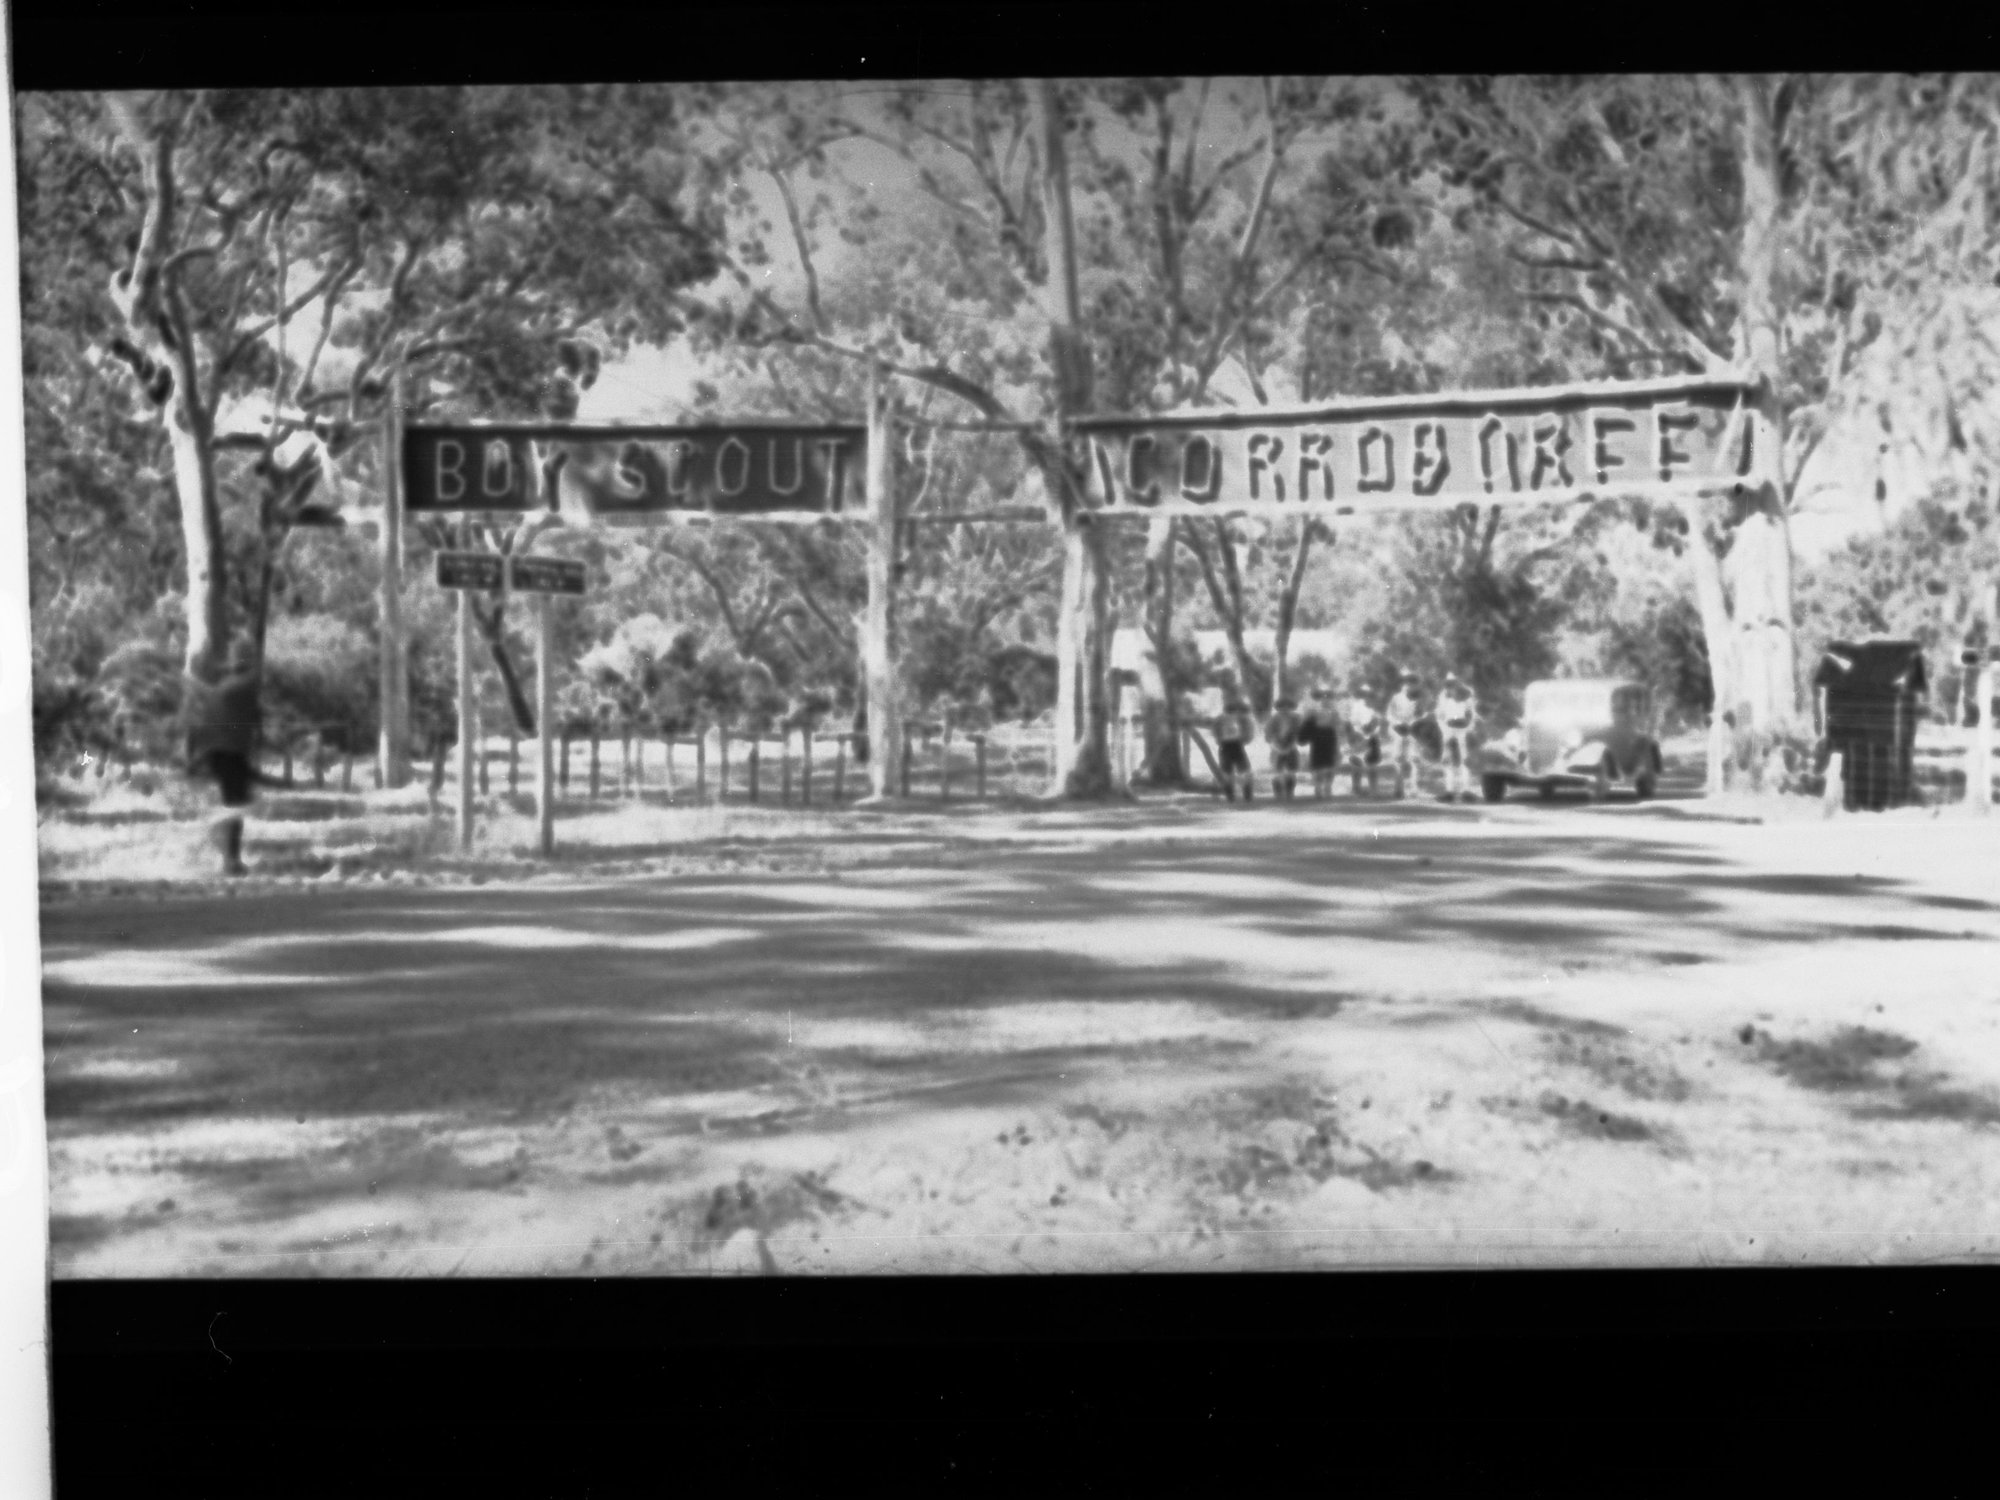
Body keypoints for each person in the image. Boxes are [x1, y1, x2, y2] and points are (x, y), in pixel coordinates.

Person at [184, 638, 262, 877]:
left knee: (238, 805)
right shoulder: (238, 685)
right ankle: (229, 859)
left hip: (230, 752)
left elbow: (218, 697)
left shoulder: (237, 685)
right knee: (237, 806)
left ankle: (230, 857)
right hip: (228, 753)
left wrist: (193, 679)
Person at [1435, 671, 1480, 802]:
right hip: (1448, 728)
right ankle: (1449, 791)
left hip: (1462, 729)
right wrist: (1445, 731)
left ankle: (1466, 790)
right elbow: (1440, 715)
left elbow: (1471, 714)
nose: (1452, 686)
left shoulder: (1467, 695)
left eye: (1454, 682)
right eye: (1449, 683)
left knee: (1465, 760)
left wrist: (1468, 728)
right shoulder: (1443, 696)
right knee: (1448, 761)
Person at [1385, 670, 1425, 798]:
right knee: (1398, 759)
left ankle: (1413, 788)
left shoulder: (1417, 699)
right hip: (1399, 730)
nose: (1408, 684)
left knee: (1414, 759)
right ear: (1402, 683)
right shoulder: (1396, 698)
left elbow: (1421, 715)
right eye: (1406, 681)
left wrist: (1414, 723)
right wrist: (1397, 723)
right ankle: (1398, 789)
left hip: (1412, 731)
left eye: (1411, 682)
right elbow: (1389, 714)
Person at [1301, 688, 1342, 800]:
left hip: (1330, 738)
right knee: (1317, 765)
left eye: (1328, 696)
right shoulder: (1312, 711)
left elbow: (1337, 728)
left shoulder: (1334, 712)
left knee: (1330, 765)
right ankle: (1318, 787)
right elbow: (1306, 727)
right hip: (1317, 739)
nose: (1325, 699)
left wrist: (1338, 743)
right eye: (1322, 696)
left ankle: (1328, 787)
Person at [1343, 685, 1383, 796]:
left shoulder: (1375, 707)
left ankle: (1373, 789)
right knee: (1356, 764)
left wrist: (1370, 732)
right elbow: (1351, 722)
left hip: (1372, 737)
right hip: (1358, 737)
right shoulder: (1356, 706)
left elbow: (1377, 723)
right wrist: (1356, 737)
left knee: (1372, 764)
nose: (1366, 696)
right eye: (1364, 694)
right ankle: (1356, 788)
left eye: (1368, 694)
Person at [1215, 696, 1256, 802]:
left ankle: (1231, 795)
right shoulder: (1241, 718)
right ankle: (1246, 794)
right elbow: (1249, 730)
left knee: (1228, 772)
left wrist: (1218, 739)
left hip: (1226, 746)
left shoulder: (1220, 719)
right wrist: (1246, 739)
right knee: (1244, 770)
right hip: (1236, 745)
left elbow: (1215, 731)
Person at [1264, 695, 1304, 801]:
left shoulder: (1296, 718)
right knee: (1277, 771)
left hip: (1291, 747)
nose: (1285, 709)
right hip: (1276, 747)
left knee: (1292, 771)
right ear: (1278, 707)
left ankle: (1290, 792)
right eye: (1282, 706)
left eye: (1288, 706)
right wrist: (1277, 748)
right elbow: (1268, 736)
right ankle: (1278, 793)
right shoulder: (1273, 719)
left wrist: (1291, 746)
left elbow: (1299, 734)